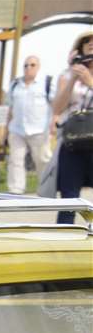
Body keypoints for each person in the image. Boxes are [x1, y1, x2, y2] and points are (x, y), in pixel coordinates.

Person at [50, 31, 93, 223]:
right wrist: (73, 78)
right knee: (69, 197)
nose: (91, 44)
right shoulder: (67, 75)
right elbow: (57, 108)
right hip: (73, 143)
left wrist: (90, 82)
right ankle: (64, 240)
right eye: (87, 42)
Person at [5, 57, 53, 194]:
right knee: (15, 160)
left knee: (42, 160)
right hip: (17, 129)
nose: (28, 68)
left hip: (39, 129)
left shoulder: (46, 83)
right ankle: (15, 190)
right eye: (25, 65)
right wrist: (5, 130)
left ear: (38, 67)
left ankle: (45, 190)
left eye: (32, 65)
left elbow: (55, 105)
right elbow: (10, 108)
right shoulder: (15, 84)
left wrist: (53, 124)